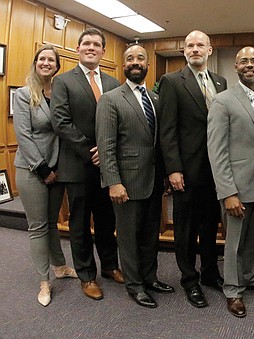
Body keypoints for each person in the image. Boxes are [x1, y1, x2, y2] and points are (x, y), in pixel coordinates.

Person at [96, 44, 175, 309]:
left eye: (140, 58)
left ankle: (150, 278)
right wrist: (113, 182)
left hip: (154, 181)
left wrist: (164, 174)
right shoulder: (111, 98)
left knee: (150, 234)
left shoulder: (155, 99)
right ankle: (135, 285)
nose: (135, 62)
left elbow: (159, 142)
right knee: (129, 237)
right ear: (124, 64)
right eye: (130, 58)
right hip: (126, 183)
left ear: (147, 65)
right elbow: (106, 145)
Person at [207, 46, 254, 318]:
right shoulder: (222, 101)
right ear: (235, 67)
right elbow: (216, 151)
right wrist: (228, 192)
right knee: (234, 242)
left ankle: (251, 278)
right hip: (236, 187)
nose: (249, 64)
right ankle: (232, 290)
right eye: (244, 61)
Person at [51, 28, 123, 301]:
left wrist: (106, 155)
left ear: (103, 51)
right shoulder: (63, 81)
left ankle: (110, 266)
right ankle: (86, 275)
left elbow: (120, 122)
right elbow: (61, 121)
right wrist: (90, 151)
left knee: (107, 220)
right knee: (80, 224)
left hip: (108, 168)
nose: (91, 47)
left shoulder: (114, 82)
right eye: (86, 43)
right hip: (78, 166)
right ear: (78, 48)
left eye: (96, 44)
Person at [158, 30, 226, 308]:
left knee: (210, 226)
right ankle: (189, 280)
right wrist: (173, 169)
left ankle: (210, 273)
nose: (195, 49)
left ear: (210, 50)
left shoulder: (221, 82)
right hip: (185, 171)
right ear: (184, 51)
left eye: (200, 45)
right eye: (190, 45)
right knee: (185, 230)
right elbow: (167, 130)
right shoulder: (172, 82)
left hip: (216, 172)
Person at [13, 44, 77, 307]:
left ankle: (60, 267)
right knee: (38, 226)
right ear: (36, 63)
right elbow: (23, 135)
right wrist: (42, 168)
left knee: (52, 223)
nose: (46, 63)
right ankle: (43, 280)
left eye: (51, 59)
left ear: (57, 65)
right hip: (32, 170)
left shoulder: (61, 94)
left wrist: (56, 169)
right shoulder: (24, 94)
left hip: (58, 169)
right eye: (42, 59)